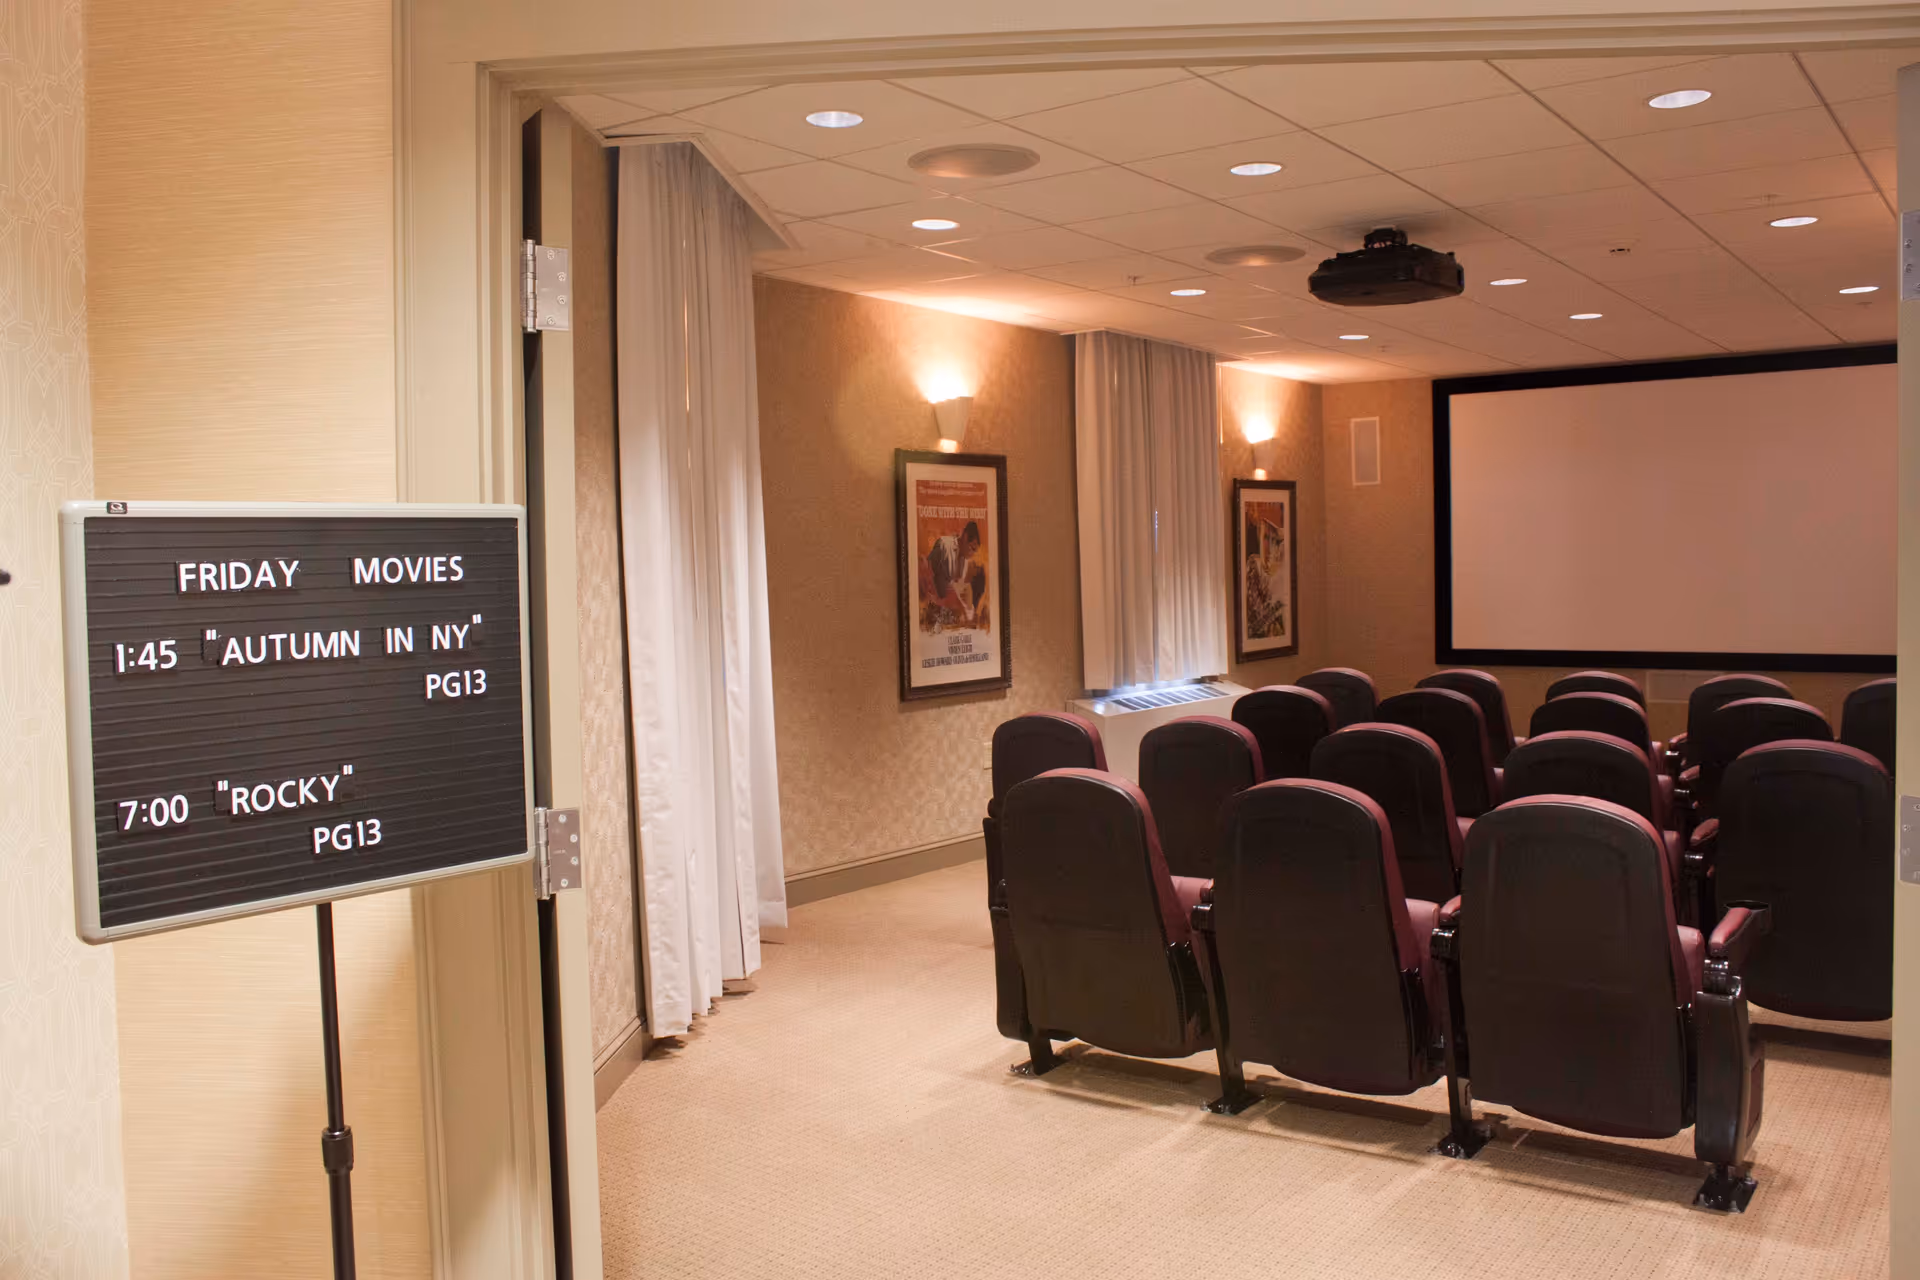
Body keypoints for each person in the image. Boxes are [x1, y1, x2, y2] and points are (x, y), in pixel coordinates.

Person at [924, 521, 983, 626]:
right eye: (972, 548)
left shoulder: (964, 561)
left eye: (975, 551)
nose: (973, 554)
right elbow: (927, 572)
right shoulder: (944, 545)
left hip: (947, 613)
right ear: (965, 537)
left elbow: (957, 589)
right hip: (933, 607)